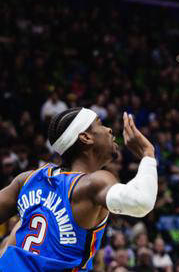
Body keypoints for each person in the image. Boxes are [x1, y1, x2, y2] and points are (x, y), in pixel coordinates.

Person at [0, 108, 157, 271]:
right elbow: (142, 201)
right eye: (100, 124)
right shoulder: (94, 183)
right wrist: (148, 154)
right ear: (86, 137)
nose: (109, 129)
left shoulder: (28, 179)